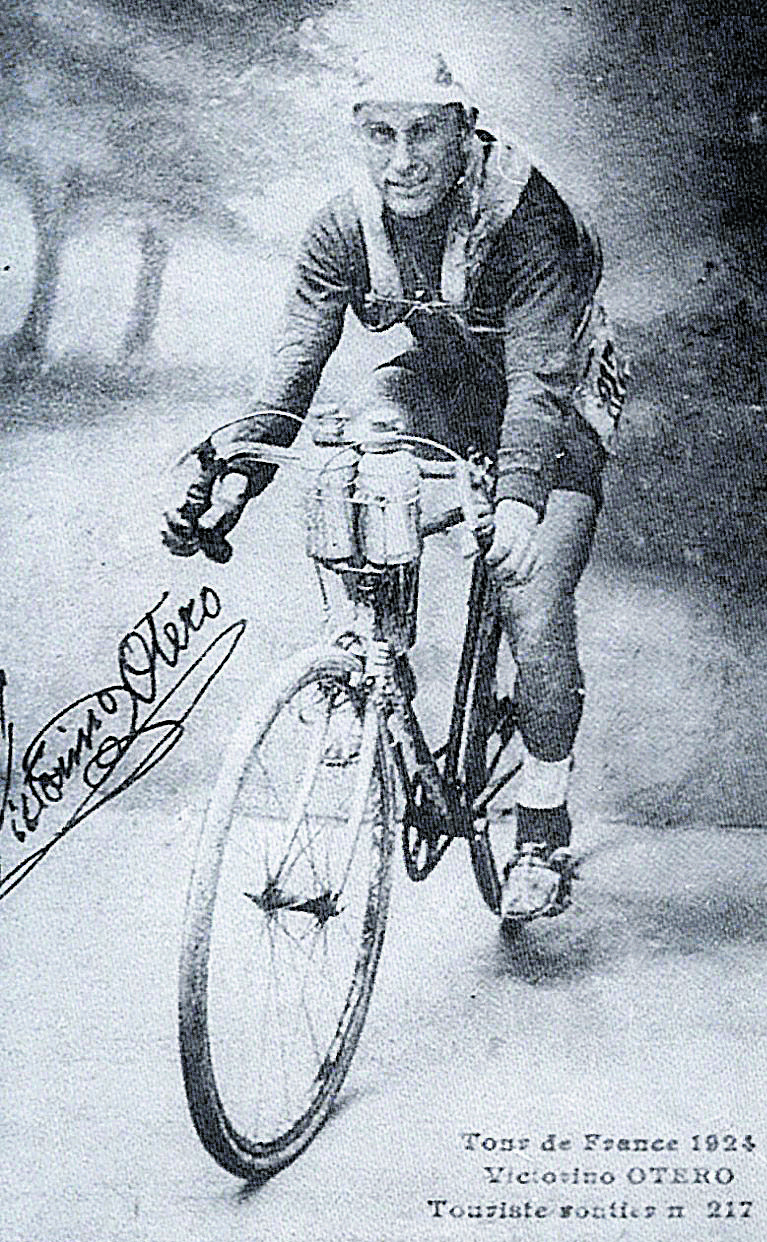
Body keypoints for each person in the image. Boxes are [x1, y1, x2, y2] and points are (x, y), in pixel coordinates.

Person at [162, 49, 626, 922]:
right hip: (447, 386)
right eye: (380, 133)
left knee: (532, 595)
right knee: (353, 442)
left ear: (464, 133)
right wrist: (236, 475)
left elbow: (538, 383)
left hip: (553, 399)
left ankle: (541, 825)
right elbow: (293, 371)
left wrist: (521, 499)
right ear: (358, 136)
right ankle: (373, 662)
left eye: (423, 133)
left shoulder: (529, 218)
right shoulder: (344, 226)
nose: (401, 159)